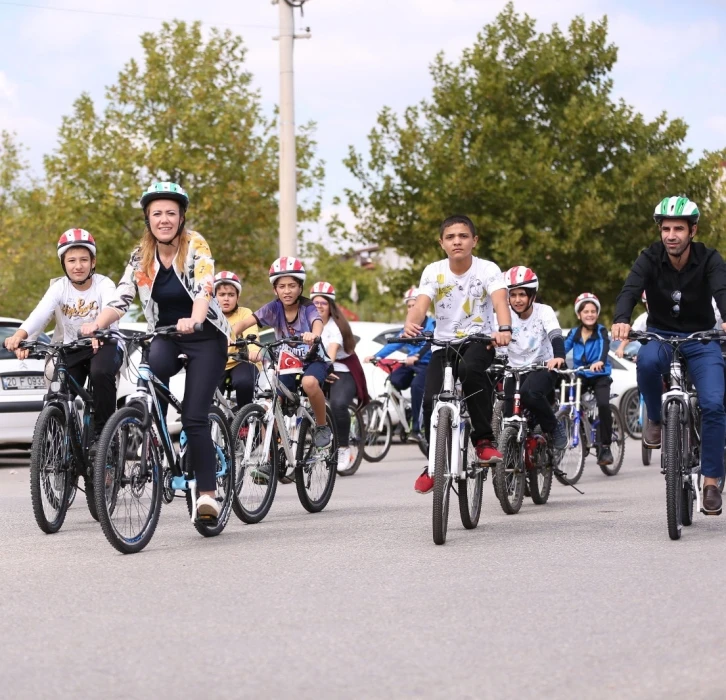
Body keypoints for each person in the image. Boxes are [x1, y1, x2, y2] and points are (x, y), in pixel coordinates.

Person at [81, 182, 231, 521]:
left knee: (194, 417)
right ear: (148, 219)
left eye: (171, 213)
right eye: (157, 214)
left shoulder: (195, 245)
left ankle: (207, 495)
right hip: (165, 334)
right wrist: (98, 323)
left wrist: (194, 318)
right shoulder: (141, 255)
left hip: (204, 335)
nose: (164, 219)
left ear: (181, 218)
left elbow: (205, 286)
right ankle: (157, 445)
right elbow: (121, 296)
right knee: (148, 379)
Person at [612, 195, 726, 515]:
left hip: (702, 341)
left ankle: (712, 482)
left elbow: (722, 288)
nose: (671, 235)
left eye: (679, 228)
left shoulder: (709, 258)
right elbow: (630, 289)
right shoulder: (649, 257)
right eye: (666, 228)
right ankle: (656, 417)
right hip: (661, 337)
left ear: (693, 230)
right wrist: (622, 318)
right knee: (646, 362)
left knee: (714, 404)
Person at [403, 214, 512, 494]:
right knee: (430, 400)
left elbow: (500, 300)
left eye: (463, 236)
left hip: (479, 340)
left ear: (474, 241)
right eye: (450, 237)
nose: (457, 241)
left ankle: (484, 441)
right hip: (444, 345)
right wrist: (411, 322)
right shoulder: (433, 270)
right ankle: (433, 465)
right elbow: (421, 303)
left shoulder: (488, 269)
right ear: (442, 243)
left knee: (471, 371)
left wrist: (503, 328)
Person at [4, 229, 123, 454]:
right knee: (58, 392)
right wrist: (20, 336)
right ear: (63, 263)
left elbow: (111, 307)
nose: (78, 266)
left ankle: (104, 437)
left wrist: (96, 327)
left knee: (99, 374)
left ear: (93, 262)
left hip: (104, 344)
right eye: (71, 260)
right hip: (73, 349)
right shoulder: (59, 287)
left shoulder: (104, 284)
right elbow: (40, 314)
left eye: (83, 260)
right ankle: (61, 446)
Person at [232, 257, 332, 448]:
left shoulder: (307, 307)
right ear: (275, 289)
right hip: (288, 364)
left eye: (292, 286)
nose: (287, 291)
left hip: (314, 359)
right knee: (270, 403)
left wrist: (314, 335)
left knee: (309, 383)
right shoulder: (273, 308)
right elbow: (246, 322)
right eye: (282, 286)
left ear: (300, 287)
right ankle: (272, 455)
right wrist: (231, 334)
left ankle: (321, 425)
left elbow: (317, 322)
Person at [501, 266, 567, 449]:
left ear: (532, 296)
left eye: (522, 294)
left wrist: (559, 356)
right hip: (514, 371)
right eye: (512, 295)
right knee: (508, 418)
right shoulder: (503, 315)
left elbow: (555, 334)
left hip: (543, 366)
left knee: (529, 394)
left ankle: (553, 427)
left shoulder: (544, 311)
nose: (517, 300)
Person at [364, 287, 434, 443]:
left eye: (414, 306)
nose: (411, 309)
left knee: (417, 387)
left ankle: (417, 428)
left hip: (426, 364)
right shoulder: (407, 328)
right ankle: (407, 412)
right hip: (410, 364)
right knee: (393, 381)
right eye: (408, 306)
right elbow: (394, 344)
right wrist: (376, 356)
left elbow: (430, 344)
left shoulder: (432, 324)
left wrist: (418, 355)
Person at [310, 281, 360, 471]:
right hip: (316, 368)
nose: (319, 307)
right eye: (315, 303)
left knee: (338, 405)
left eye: (324, 303)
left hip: (340, 371)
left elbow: (330, 357)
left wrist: (323, 369)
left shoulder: (335, 328)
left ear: (331, 306)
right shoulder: (307, 323)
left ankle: (343, 447)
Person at [563, 293, 614, 466]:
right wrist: (557, 359)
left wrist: (600, 361)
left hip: (600, 375)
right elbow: (563, 349)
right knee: (568, 400)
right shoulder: (574, 332)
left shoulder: (600, 330)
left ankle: (605, 445)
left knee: (604, 405)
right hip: (582, 375)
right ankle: (578, 429)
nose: (590, 314)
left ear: (597, 314)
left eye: (593, 311)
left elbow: (604, 347)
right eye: (586, 311)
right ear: (579, 314)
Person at [214, 271, 260, 410]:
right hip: (216, 363)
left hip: (241, 362)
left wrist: (254, 352)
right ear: (213, 297)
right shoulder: (207, 315)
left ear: (238, 297)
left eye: (231, 295)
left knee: (244, 382)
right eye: (221, 295)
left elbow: (252, 335)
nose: (226, 299)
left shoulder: (244, 313)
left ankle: (244, 421)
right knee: (204, 388)